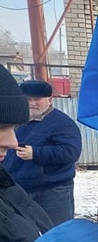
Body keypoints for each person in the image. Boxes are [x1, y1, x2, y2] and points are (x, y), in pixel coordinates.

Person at [3, 78, 82, 225]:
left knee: (56, 233)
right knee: (25, 234)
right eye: (28, 99)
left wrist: (35, 153)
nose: (32, 103)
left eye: (37, 99)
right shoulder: (17, 120)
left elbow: (71, 152)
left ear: (50, 99)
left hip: (52, 191)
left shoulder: (62, 123)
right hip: (19, 189)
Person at [0, 66, 51, 242]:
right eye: (1, 127)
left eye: (12, 128)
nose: (11, 142)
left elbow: (70, 152)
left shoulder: (7, 189)